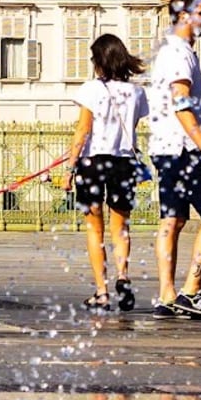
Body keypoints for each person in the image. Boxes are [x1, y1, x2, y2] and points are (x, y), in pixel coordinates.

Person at [148, 0, 201, 319]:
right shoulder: (179, 54)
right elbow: (181, 102)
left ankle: (167, 294)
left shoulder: (169, 52)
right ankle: (191, 290)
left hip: (165, 147)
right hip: (185, 149)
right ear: (185, 16)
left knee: (172, 220)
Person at [65, 33, 148, 312]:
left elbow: (83, 130)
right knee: (121, 226)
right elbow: (133, 127)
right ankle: (123, 275)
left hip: (92, 162)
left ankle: (101, 292)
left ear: (99, 60)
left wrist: (69, 166)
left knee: (94, 228)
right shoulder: (137, 92)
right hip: (123, 162)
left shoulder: (91, 89)